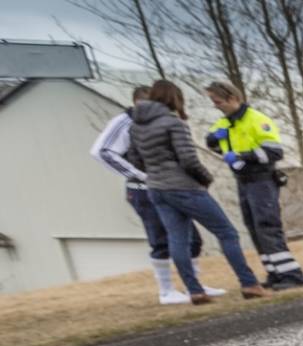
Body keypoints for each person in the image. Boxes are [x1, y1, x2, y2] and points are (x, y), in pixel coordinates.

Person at [127, 80, 268, 304]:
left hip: (156, 188)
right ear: (174, 99)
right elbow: (189, 160)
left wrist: (157, 172)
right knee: (227, 233)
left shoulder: (135, 126)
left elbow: (135, 160)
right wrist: (205, 178)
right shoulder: (173, 123)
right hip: (184, 187)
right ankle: (249, 283)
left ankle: (195, 291)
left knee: (178, 240)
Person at [90, 85, 225, 305]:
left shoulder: (158, 122)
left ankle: (195, 285)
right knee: (160, 239)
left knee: (191, 239)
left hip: (169, 187)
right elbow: (101, 152)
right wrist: (138, 175)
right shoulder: (124, 122)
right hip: (144, 189)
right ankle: (166, 290)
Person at [203, 82, 303, 290]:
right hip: (243, 181)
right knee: (254, 227)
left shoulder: (256, 120)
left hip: (261, 179)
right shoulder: (225, 123)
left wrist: (243, 157)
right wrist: (214, 139)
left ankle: (292, 275)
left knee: (267, 226)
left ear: (233, 98)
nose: (216, 106)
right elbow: (213, 143)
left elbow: (274, 152)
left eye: (218, 102)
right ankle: (274, 272)